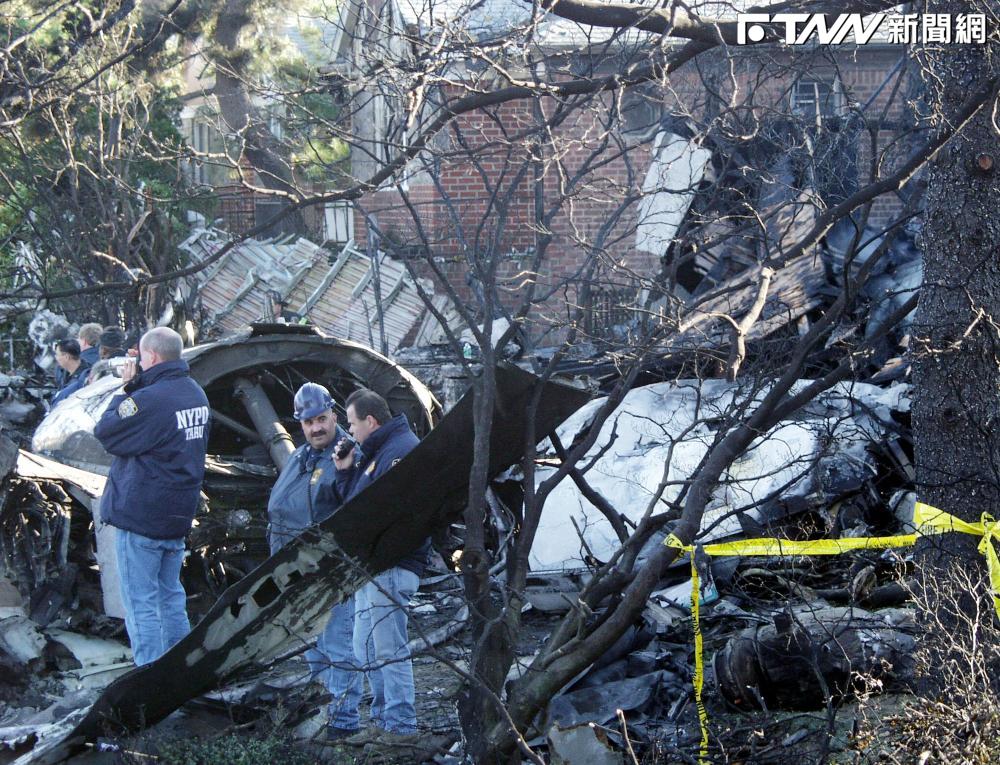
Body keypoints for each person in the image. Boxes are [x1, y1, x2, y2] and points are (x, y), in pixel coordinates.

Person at [94, 327, 210, 666]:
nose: (137, 362)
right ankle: (179, 672)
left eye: (141, 357)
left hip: (142, 518)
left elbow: (106, 431)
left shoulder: (148, 400)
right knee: (171, 597)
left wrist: (124, 391)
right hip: (176, 516)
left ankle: (149, 680)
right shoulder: (196, 395)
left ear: (152, 357)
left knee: (141, 604)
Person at [266, 382, 362, 740]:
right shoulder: (300, 456)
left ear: (333, 415)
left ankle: (344, 722)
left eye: (321, 419)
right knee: (313, 650)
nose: (315, 427)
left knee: (338, 646)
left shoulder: (346, 456)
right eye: (308, 422)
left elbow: (353, 507)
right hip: (297, 573)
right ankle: (323, 715)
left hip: (332, 573)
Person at [333, 389, 427, 743]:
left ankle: (401, 726)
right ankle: (382, 721)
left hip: (391, 563)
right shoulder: (378, 454)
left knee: (388, 649)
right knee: (366, 649)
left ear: (371, 422)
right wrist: (345, 473)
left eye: (353, 424)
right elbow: (357, 507)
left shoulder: (400, 452)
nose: (350, 432)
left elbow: (391, 512)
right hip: (373, 567)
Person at [51, 339, 91, 407]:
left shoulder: (85, 378)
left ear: (67, 357)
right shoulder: (64, 372)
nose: (56, 358)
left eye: (57, 355)